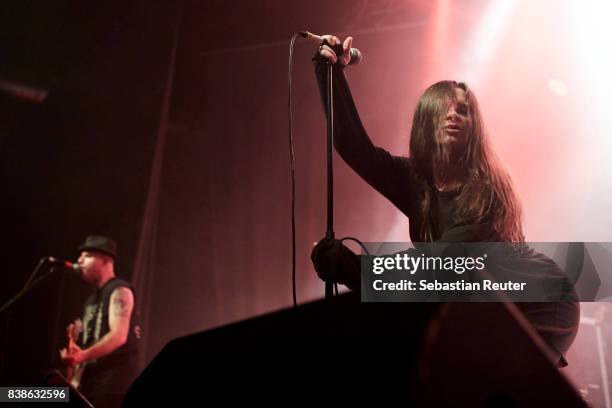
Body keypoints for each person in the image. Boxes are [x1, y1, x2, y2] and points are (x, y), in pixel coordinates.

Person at [310, 35, 579, 366]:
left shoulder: (488, 190)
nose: (454, 115)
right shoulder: (417, 181)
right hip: (486, 304)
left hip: (542, 304)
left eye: (464, 111)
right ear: (426, 120)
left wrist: (353, 269)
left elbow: (440, 267)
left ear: (473, 128)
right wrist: (330, 71)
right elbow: (356, 149)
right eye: (444, 108)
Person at [59, 235, 141, 407]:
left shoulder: (119, 290)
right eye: (80, 256)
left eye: (87, 255)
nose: (79, 260)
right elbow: (90, 347)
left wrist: (82, 355)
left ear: (106, 261)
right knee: (28, 395)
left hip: (115, 385)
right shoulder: (90, 300)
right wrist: (74, 358)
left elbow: (119, 336)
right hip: (92, 386)